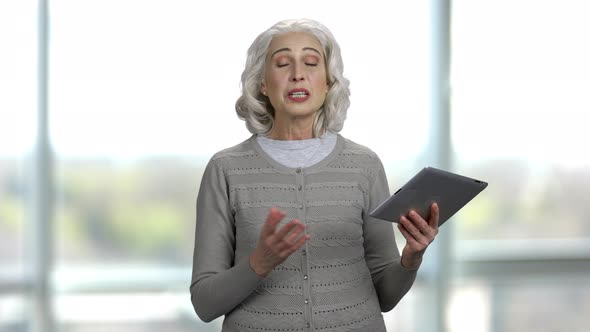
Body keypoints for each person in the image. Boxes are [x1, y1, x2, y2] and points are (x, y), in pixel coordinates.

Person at [190, 18, 439, 332]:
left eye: (311, 63)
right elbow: (204, 303)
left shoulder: (364, 165)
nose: (297, 74)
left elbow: (386, 296)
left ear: (328, 83)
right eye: (282, 63)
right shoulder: (225, 169)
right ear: (262, 84)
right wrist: (259, 263)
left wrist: (411, 258)